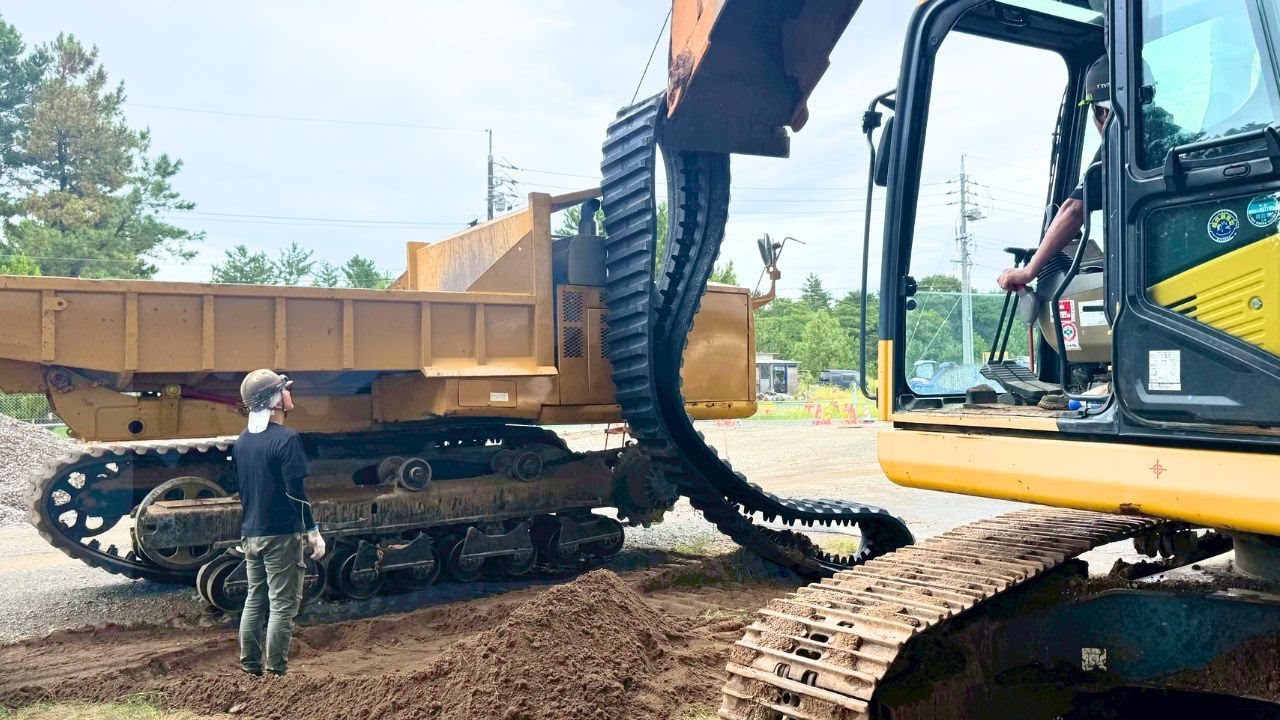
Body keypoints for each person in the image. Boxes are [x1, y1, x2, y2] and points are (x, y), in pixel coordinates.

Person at [234, 369, 325, 677]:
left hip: (251, 534)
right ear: (275, 401)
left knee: (255, 600)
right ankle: (276, 673)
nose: (290, 394)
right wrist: (313, 532)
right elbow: (296, 495)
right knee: (283, 606)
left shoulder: (243, 441)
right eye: (285, 389)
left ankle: (249, 667)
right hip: (280, 536)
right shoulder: (288, 440)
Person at [997, 54, 1110, 291]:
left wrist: (1028, 271)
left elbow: (1074, 209)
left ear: (1103, 113)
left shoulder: (1122, 145)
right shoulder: (1164, 134)